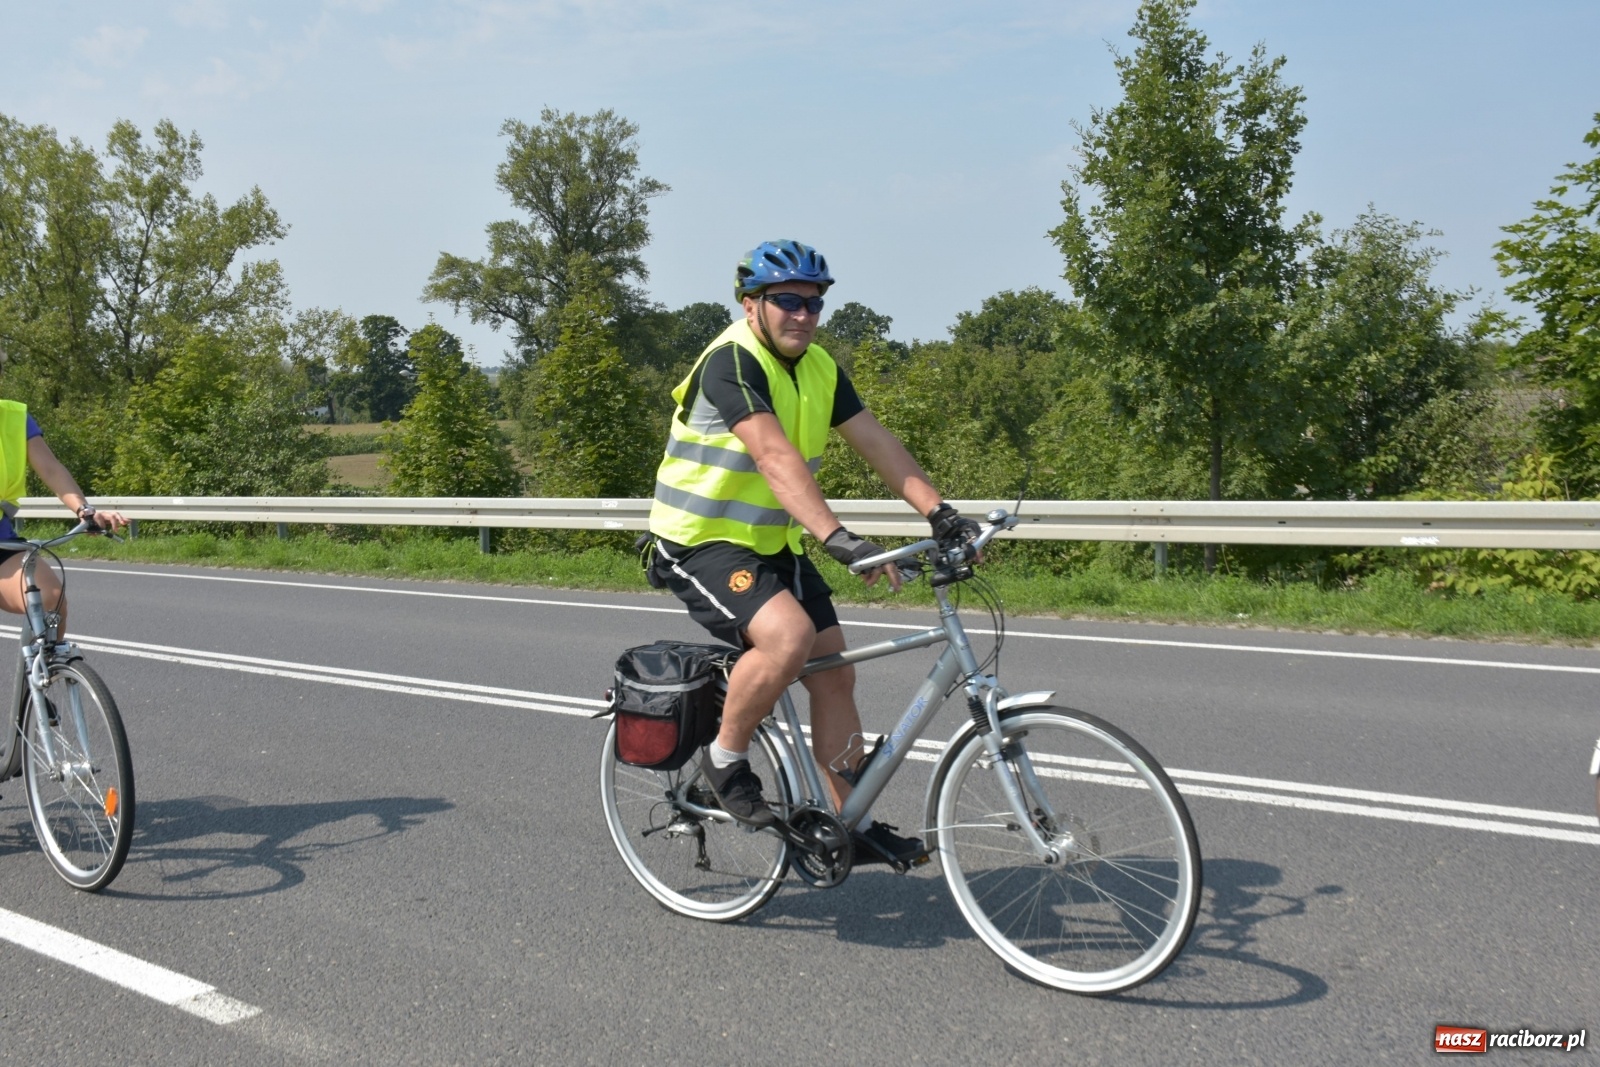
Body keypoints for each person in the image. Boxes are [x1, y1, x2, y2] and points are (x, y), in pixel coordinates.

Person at [646, 239, 979, 868]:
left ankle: (847, 820)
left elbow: (876, 441)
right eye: (788, 301)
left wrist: (940, 513)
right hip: (700, 539)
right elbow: (773, 456)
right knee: (789, 638)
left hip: (771, 542)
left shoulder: (821, 367)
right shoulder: (731, 362)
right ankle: (725, 760)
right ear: (752, 305)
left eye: (815, 304)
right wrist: (838, 537)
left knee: (834, 671)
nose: (803, 315)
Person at [0, 394, 128, 638]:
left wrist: (84, 510)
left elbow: (51, 468)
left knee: (51, 600)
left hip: (2, 542)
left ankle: (49, 673)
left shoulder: (14, 417)